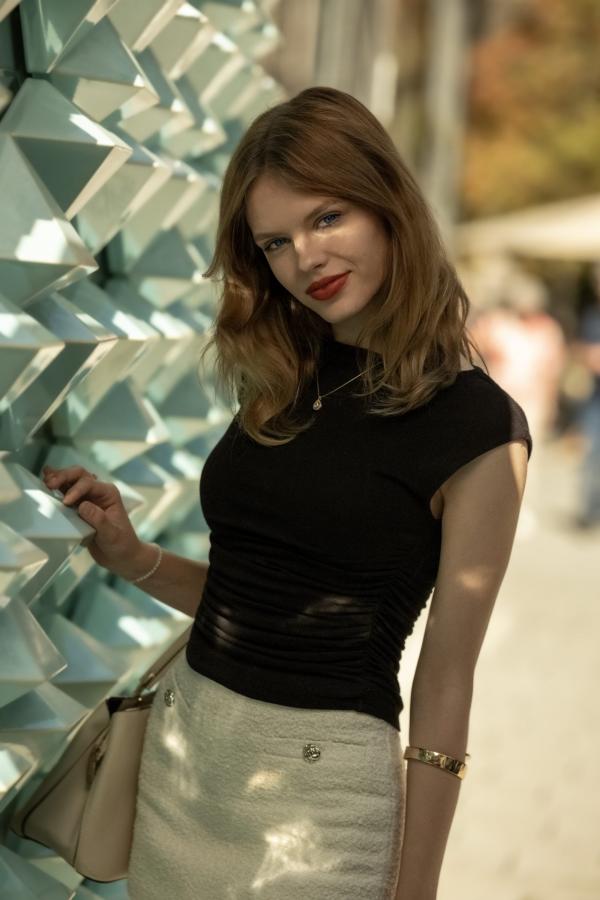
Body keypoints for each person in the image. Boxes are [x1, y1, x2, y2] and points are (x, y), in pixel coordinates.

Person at [41, 86, 532, 900]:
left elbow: (446, 680)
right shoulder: (282, 375)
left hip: (319, 808)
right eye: (275, 242)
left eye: (327, 218)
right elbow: (256, 604)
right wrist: (131, 557)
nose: (305, 258)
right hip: (183, 769)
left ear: (388, 206)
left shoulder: (479, 427)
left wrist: (415, 891)